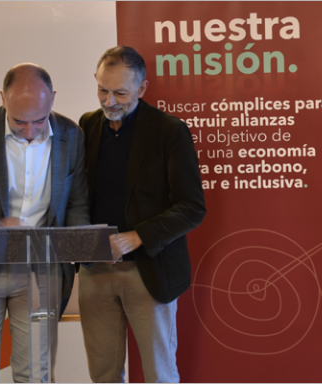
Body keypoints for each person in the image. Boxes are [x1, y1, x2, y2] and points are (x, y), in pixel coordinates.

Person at [0, 63, 89, 383]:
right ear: (2, 99)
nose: (29, 130)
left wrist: (80, 242)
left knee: (35, 375)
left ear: (52, 99)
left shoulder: (71, 134)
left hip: (41, 271)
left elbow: (76, 203)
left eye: (38, 120)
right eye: (19, 120)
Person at [77, 46, 206, 383]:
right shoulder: (87, 126)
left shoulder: (169, 130)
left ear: (142, 88)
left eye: (120, 92)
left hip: (149, 270)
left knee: (159, 374)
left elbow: (192, 207)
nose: (109, 102)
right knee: (103, 374)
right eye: (102, 90)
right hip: (95, 271)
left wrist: (136, 237)